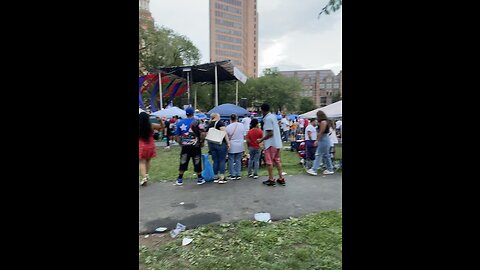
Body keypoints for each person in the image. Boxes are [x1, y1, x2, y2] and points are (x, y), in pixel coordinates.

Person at [174, 107, 206, 186]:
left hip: (185, 146)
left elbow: (177, 136)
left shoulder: (180, 122)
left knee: (183, 161)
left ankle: (180, 178)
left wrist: (180, 143)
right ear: (193, 113)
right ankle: (199, 178)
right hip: (196, 146)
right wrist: (202, 142)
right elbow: (203, 133)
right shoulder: (198, 122)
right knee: (197, 160)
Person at [256, 103, 286, 186]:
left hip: (270, 144)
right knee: (277, 161)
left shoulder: (268, 119)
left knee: (269, 162)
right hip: (277, 143)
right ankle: (281, 178)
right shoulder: (273, 117)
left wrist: (261, 140)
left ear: (262, 110)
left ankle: (271, 179)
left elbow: (270, 133)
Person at [306, 110, 334, 176]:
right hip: (325, 139)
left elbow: (321, 132)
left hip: (323, 139)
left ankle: (314, 169)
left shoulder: (323, 122)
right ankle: (330, 169)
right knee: (326, 155)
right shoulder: (325, 121)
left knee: (318, 154)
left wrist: (317, 140)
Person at [139, 112, 163, 186]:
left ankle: (144, 177)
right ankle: (146, 174)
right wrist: (161, 121)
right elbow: (161, 127)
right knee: (148, 160)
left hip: (141, 145)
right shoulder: (151, 125)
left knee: (141, 162)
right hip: (150, 145)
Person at [207, 112, 230, 184]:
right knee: (222, 160)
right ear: (216, 116)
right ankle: (222, 177)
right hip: (220, 143)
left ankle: (215, 176)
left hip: (211, 144)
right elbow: (224, 133)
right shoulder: (220, 123)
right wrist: (228, 142)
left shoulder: (209, 124)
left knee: (215, 160)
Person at [225, 114, 245, 180]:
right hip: (240, 144)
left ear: (230, 119)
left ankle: (232, 174)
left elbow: (226, 137)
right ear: (237, 118)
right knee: (238, 160)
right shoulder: (242, 125)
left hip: (232, 144)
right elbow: (243, 134)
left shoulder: (228, 127)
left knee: (231, 160)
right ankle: (238, 173)